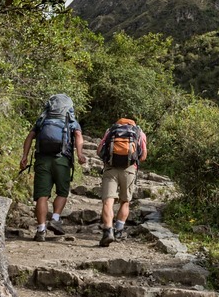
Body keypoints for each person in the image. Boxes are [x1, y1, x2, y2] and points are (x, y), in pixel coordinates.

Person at [19, 94, 88, 242]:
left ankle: (41, 229)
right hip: (62, 160)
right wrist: (80, 155)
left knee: (42, 196)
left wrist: (24, 157)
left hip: (42, 160)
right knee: (62, 192)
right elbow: (78, 135)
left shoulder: (43, 119)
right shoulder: (71, 120)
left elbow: (29, 137)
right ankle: (55, 218)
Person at [96, 117, 147, 247]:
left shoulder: (111, 130)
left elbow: (99, 150)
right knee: (125, 201)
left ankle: (108, 231)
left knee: (108, 201)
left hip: (110, 168)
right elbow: (143, 156)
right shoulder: (139, 132)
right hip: (129, 170)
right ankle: (118, 230)